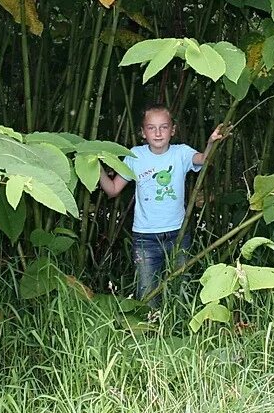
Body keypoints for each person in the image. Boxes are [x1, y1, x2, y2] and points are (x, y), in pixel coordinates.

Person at [99, 103, 230, 307]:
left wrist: (212, 142)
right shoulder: (135, 155)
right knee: (147, 294)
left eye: (164, 127)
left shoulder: (181, 153)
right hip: (145, 238)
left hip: (178, 234)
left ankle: (177, 332)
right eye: (151, 128)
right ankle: (150, 332)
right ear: (143, 132)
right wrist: (94, 164)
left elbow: (204, 160)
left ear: (173, 130)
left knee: (181, 291)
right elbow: (113, 189)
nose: (158, 133)